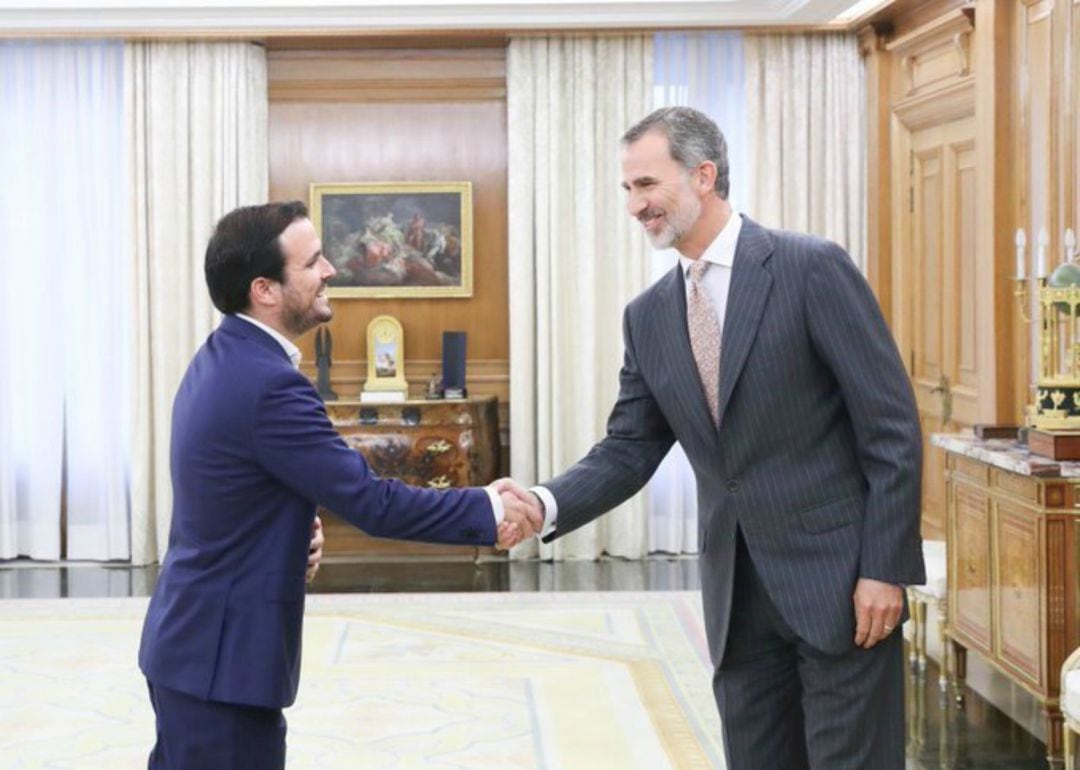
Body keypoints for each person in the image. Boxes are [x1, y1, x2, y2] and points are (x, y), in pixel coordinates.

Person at [498, 106, 925, 769]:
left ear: (703, 175)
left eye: (646, 184)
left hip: (841, 584)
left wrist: (884, 568)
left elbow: (891, 430)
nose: (636, 206)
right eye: (628, 190)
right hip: (737, 600)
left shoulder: (809, 267)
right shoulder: (649, 318)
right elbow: (629, 448)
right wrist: (543, 502)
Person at [138, 200, 540, 770]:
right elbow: (373, 502)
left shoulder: (221, 356)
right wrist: (486, 506)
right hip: (221, 665)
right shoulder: (269, 384)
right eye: (314, 261)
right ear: (266, 289)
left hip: (195, 648)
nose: (331, 270)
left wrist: (296, 528)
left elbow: (230, 493)